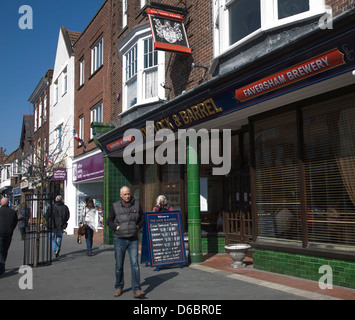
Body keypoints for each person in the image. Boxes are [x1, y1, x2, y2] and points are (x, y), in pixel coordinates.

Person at [107, 186, 145, 299]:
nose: (127, 196)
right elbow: (109, 220)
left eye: (128, 194)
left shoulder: (137, 205)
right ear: (121, 195)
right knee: (119, 265)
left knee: (135, 265)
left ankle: (137, 290)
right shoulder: (115, 206)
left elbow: (142, 217)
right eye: (125, 194)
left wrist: (137, 226)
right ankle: (119, 287)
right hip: (119, 239)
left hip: (133, 239)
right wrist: (116, 227)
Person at [0, 197, 18, 275]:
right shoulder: (12, 212)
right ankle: (2, 264)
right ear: (8, 203)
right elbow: (15, 223)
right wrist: (11, 229)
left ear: (1, 203)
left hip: (0, 233)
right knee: (5, 249)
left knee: (0, 250)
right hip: (8, 234)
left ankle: (1, 266)